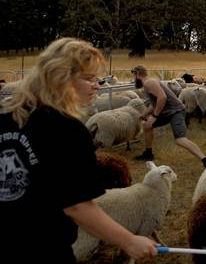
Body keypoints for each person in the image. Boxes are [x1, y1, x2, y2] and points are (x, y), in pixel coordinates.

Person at [0, 38, 157, 263]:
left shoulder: (6, 118)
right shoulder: (67, 130)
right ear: (61, 77)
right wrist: (129, 241)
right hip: (42, 248)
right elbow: (77, 206)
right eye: (88, 78)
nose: (97, 85)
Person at [131, 65, 206, 167]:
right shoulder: (151, 81)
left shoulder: (148, 83)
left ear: (137, 74)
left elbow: (162, 98)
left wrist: (154, 116)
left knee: (180, 139)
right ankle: (148, 154)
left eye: (134, 76)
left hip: (176, 112)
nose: (134, 79)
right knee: (147, 125)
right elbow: (155, 103)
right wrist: (145, 115)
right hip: (167, 112)